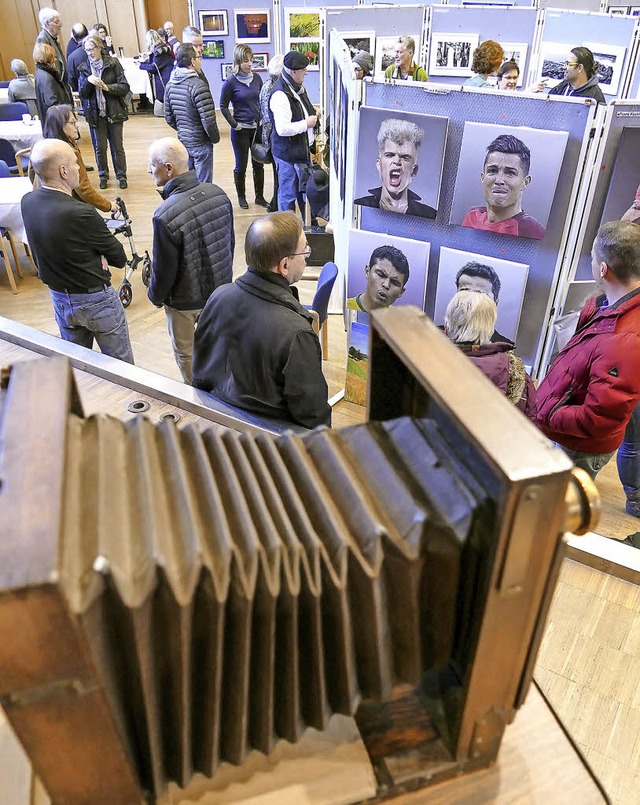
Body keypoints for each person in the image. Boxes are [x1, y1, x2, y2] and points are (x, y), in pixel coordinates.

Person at [192, 212, 331, 429]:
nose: (307, 256)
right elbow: (313, 419)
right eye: (304, 250)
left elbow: (199, 372)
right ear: (284, 265)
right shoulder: (297, 334)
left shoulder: (218, 297)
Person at [536, 221, 640, 480]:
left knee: (561, 510)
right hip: (566, 431)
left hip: (578, 445)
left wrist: (549, 413)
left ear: (603, 269)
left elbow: (599, 417)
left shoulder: (624, 338)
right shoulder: (604, 306)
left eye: (593, 259)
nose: (591, 263)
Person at [21, 139, 133, 363]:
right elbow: (119, 258)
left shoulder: (28, 202)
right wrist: (98, 255)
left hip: (60, 299)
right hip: (96, 301)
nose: (79, 168)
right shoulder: (82, 213)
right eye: (75, 164)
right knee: (123, 369)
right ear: (63, 171)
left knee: (77, 366)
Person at [147, 138, 234, 384]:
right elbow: (230, 244)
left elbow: (164, 271)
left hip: (184, 302)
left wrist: (154, 297)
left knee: (186, 354)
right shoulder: (218, 194)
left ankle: (197, 399)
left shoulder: (164, 214)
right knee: (218, 347)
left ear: (168, 168)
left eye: (152, 165)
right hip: (219, 294)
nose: (148, 170)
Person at [444, 290, 536, 419]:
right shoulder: (516, 374)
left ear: (448, 325)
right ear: (490, 327)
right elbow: (528, 421)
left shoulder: (425, 362)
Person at [462, 134, 545, 240]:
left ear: (525, 182)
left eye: (510, 173)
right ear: (483, 177)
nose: (499, 180)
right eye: (492, 171)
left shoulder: (534, 232)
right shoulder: (472, 216)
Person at [42, 104, 118, 214]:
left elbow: (32, 175)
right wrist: (108, 205)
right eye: (72, 123)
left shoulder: (40, 147)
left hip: (45, 205)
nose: (76, 126)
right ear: (60, 126)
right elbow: (83, 189)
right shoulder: (69, 152)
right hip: (68, 208)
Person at [354, 118, 436, 218]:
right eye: (390, 155)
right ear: (379, 165)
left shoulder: (430, 216)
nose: (397, 161)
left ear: (414, 171)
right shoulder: (359, 206)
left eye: (405, 157)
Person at [78, 35, 130, 190]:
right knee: (100, 148)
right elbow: (82, 93)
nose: (90, 53)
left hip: (113, 112)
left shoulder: (113, 64)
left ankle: (121, 176)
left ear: (100, 47)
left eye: (92, 49)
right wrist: (88, 82)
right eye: (86, 50)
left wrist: (107, 88)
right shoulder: (84, 68)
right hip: (95, 114)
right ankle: (103, 175)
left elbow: (124, 87)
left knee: (117, 147)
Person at [268, 50, 318, 214]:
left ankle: (304, 227)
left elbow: (299, 109)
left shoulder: (295, 87)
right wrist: (306, 123)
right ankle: (287, 232)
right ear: (294, 71)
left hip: (298, 152)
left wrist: (312, 112)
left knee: (302, 193)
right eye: (304, 70)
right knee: (288, 196)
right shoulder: (281, 95)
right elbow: (282, 129)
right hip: (288, 155)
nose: (306, 72)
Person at [164, 44, 220, 184]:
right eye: (199, 57)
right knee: (204, 185)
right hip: (201, 142)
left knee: (188, 183)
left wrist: (184, 128)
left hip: (183, 141)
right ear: (192, 61)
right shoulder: (198, 85)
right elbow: (209, 121)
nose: (200, 60)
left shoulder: (170, 85)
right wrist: (214, 138)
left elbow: (169, 117)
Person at [220, 44, 266, 209]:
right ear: (238, 61)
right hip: (240, 131)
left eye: (251, 60)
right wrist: (235, 124)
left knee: (258, 164)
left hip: (257, 129)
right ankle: (241, 197)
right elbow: (223, 106)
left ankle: (259, 197)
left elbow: (262, 101)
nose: (249, 64)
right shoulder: (230, 82)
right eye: (245, 61)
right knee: (241, 165)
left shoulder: (257, 79)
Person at [455, 262, 513, 344]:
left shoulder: (506, 350)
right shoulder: (435, 337)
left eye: (480, 294)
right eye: (465, 291)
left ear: (495, 304)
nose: (471, 301)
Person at [347, 245, 409, 320]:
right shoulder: (343, 309)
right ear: (367, 271)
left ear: (401, 292)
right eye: (381, 275)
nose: (386, 285)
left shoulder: (401, 324)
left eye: (394, 282)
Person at [259, 54, 283, 212]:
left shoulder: (270, 85)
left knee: (278, 174)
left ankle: (276, 202)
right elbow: (268, 118)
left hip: (273, 136)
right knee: (277, 174)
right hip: (273, 138)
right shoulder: (271, 88)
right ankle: (275, 204)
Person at [36, 7, 71, 98]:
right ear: (47, 23)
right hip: (56, 90)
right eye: (57, 22)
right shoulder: (42, 40)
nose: (60, 25)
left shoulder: (52, 38)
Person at [33, 43, 70, 123]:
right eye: (53, 56)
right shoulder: (47, 77)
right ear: (49, 58)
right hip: (57, 122)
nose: (55, 59)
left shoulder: (40, 73)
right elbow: (53, 104)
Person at [139, 29, 174, 105]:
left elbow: (153, 67)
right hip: (166, 76)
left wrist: (141, 65)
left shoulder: (159, 51)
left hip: (164, 79)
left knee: (166, 101)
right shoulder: (160, 47)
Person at [67, 24, 92, 92]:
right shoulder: (98, 48)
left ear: (74, 38)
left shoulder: (72, 57)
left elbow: (71, 81)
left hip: (83, 95)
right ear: (88, 33)